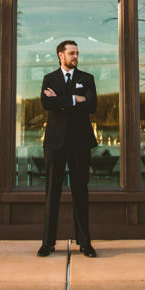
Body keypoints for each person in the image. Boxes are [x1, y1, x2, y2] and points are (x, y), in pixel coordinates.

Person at [37, 39, 98, 258]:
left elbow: (91, 104)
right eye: (71, 53)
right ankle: (48, 243)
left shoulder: (86, 78)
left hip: (80, 142)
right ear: (60, 55)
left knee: (80, 192)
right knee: (52, 192)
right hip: (55, 143)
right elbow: (46, 103)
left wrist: (62, 100)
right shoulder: (49, 79)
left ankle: (85, 242)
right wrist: (74, 98)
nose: (75, 57)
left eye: (77, 53)